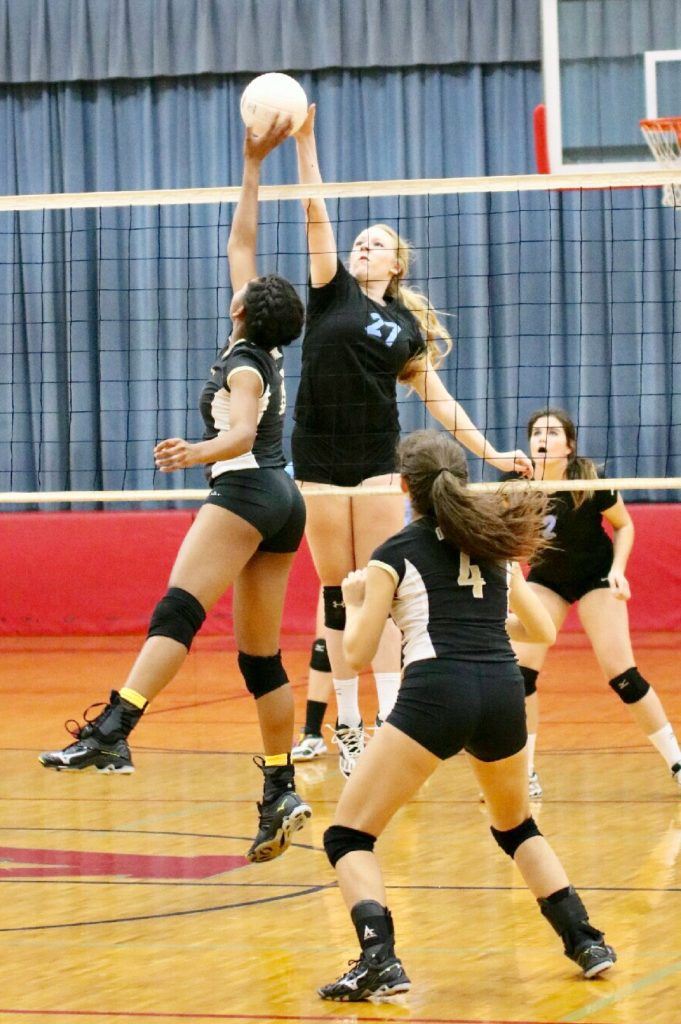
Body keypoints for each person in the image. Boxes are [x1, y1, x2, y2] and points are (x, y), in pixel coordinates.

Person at [39, 118, 313, 864]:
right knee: (259, 661)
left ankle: (113, 734)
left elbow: (243, 434)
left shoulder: (246, 366)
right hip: (282, 502)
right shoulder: (256, 344)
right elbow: (241, 243)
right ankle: (279, 788)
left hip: (248, 489)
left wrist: (198, 450)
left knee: (177, 611)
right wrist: (253, 167)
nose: (240, 277)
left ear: (243, 309)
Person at [317, 429, 616, 1001]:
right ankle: (586, 941)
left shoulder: (392, 555)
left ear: (406, 488)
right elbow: (544, 631)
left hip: (437, 694)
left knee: (347, 835)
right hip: (503, 691)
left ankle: (378, 959)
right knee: (516, 826)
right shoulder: (494, 544)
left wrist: (355, 602)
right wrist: (474, 626)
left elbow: (355, 654)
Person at [292, 105, 533, 777]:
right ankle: (346, 724)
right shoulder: (330, 294)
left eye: (375, 244)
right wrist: (307, 142)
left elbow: (439, 403)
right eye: (358, 241)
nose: (361, 247)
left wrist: (489, 453)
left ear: (396, 263)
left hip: (373, 464)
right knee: (335, 595)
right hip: (313, 460)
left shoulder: (403, 331)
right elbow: (315, 212)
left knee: (378, 591)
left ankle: (395, 716)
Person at [512, 407, 681, 800]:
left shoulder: (588, 480)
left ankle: (676, 761)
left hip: (596, 577)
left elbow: (624, 525)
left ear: (568, 446)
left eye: (553, 433)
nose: (543, 438)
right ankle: (525, 773)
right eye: (537, 432)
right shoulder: (513, 484)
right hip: (546, 580)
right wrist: (511, 579)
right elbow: (499, 538)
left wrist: (619, 570)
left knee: (622, 675)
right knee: (520, 675)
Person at [292, 585, 333, 761]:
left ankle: (401, 730)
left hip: (386, 568)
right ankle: (312, 733)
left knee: (398, 645)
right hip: (338, 570)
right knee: (323, 648)